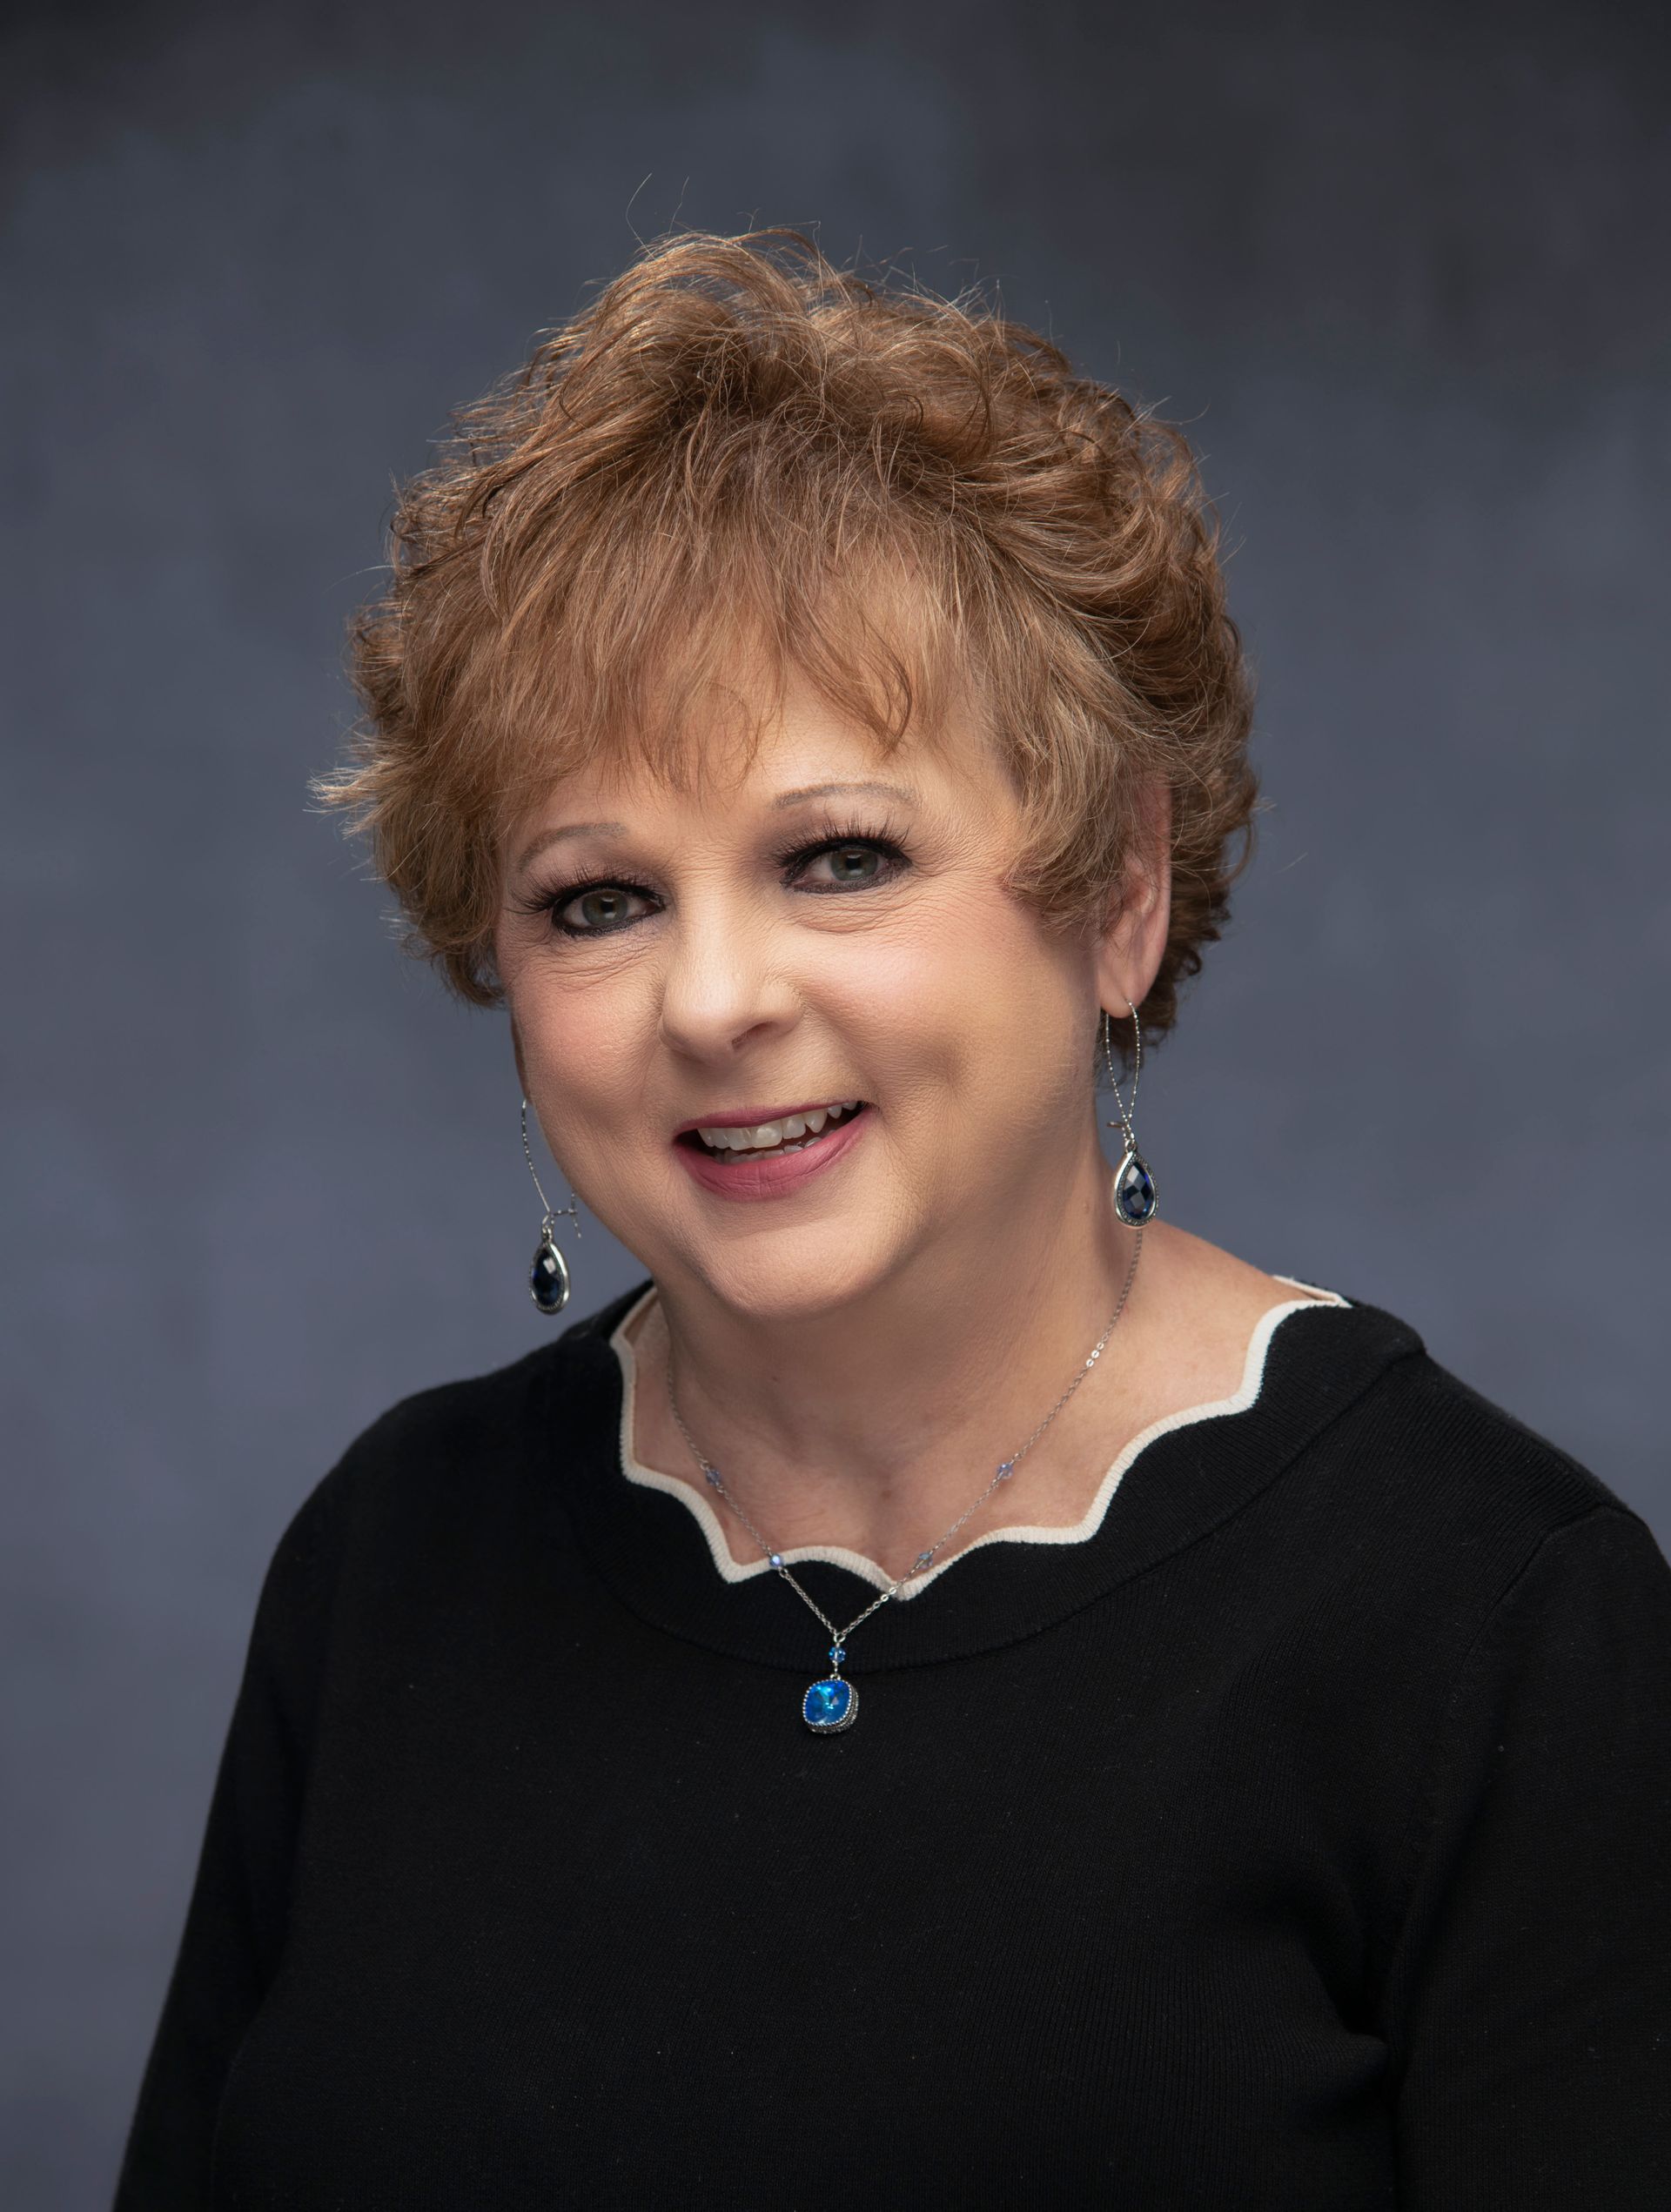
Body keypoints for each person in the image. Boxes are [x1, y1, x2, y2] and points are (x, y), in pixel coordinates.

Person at [113, 230, 1671, 2209]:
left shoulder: (1497, 1619)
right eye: (600, 898)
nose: (711, 1001)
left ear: (1117, 887)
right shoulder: (388, 1561)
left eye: (839, 857)